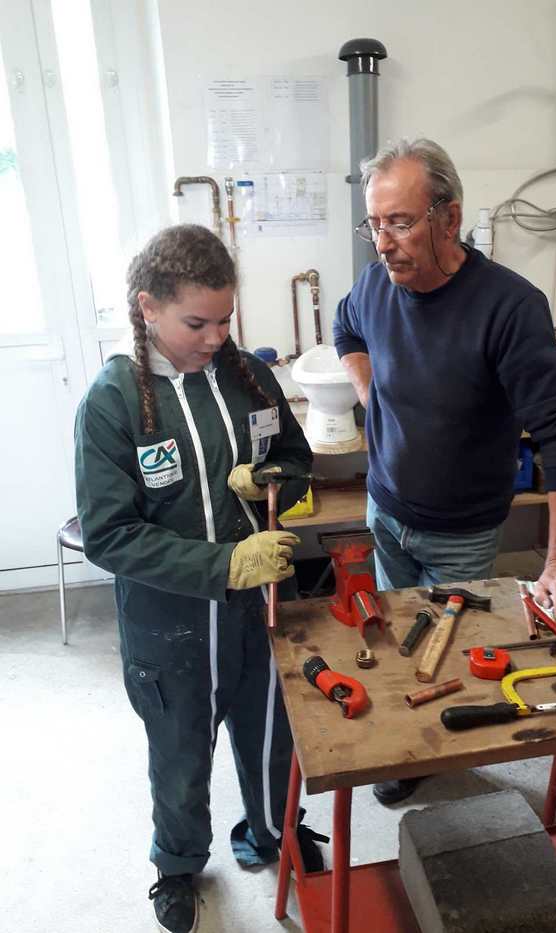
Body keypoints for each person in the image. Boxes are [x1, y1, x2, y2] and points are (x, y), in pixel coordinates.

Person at [333, 138, 556, 805]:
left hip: (461, 531)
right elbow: (346, 332)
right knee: (400, 639)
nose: (383, 242)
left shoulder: (508, 307)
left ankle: (457, 765)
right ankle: (411, 751)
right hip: (385, 510)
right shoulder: (373, 284)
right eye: (374, 224)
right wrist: (374, 398)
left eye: (399, 222)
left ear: (449, 218)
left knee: (458, 654)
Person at [74, 224, 326, 933]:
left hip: (259, 614)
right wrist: (222, 563)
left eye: (225, 318)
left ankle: (276, 830)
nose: (216, 336)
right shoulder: (114, 400)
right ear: (148, 307)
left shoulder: (247, 376)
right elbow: (109, 533)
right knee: (181, 753)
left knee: (272, 734)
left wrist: (275, 477)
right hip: (170, 626)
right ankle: (178, 863)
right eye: (197, 321)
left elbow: (298, 460)